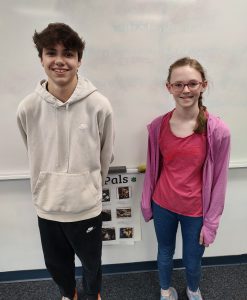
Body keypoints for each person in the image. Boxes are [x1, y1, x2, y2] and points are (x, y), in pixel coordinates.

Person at [17, 23, 114, 300]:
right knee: (57, 265)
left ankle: (92, 294)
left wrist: (89, 185)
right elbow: (32, 149)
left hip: (86, 207)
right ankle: (68, 293)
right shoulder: (27, 107)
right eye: (51, 52)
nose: (60, 60)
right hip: (48, 206)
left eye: (68, 54)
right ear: (41, 58)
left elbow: (106, 154)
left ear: (79, 60)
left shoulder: (99, 105)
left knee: (92, 265)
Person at [141, 57, 230, 300]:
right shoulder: (157, 127)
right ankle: (165, 290)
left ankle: (192, 289)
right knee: (165, 253)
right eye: (178, 84)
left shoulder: (218, 130)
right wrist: (147, 203)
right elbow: (152, 168)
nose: (186, 90)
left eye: (192, 83)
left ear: (203, 85)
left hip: (196, 211)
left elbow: (220, 180)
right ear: (168, 87)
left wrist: (211, 223)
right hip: (164, 204)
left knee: (193, 260)